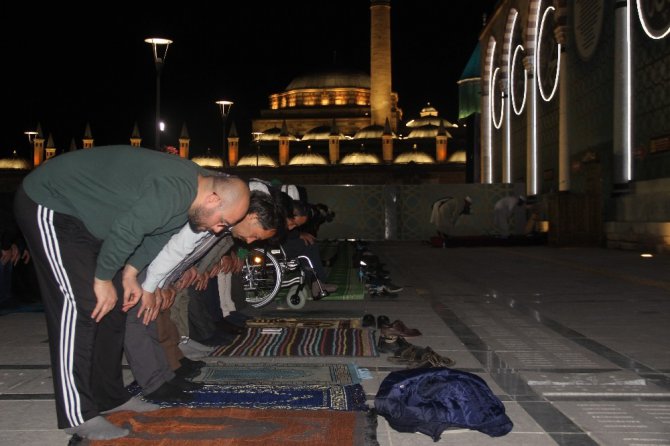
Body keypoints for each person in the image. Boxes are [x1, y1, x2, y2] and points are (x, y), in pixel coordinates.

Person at [12, 145, 250, 440]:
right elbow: (129, 229)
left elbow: (154, 238)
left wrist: (129, 274)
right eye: (222, 221)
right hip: (52, 203)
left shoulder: (192, 201)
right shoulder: (175, 189)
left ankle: (109, 396)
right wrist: (101, 279)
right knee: (82, 305)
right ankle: (77, 413)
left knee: (116, 306)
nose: (217, 230)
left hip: (89, 224)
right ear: (214, 198)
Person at [123, 189, 284, 401]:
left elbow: (188, 254)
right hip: (143, 259)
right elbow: (176, 249)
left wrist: (166, 282)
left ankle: (164, 376)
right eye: (255, 234)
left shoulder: (224, 222)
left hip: (160, 265)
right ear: (252, 216)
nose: (251, 242)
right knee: (139, 317)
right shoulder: (212, 215)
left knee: (151, 318)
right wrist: (156, 285)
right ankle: (154, 384)